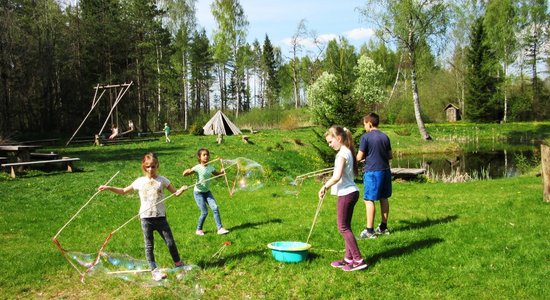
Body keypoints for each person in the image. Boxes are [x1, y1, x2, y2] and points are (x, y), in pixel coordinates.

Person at [98, 152, 188, 281]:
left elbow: (175, 193)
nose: (151, 169)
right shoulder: (139, 182)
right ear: (144, 167)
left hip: (161, 217)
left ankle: (179, 264)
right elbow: (123, 191)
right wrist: (108, 187)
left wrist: (182, 189)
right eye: (148, 167)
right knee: (149, 245)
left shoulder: (162, 180)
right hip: (146, 219)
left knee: (170, 242)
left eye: (153, 166)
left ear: (157, 166)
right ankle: (154, 271)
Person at [319, 126, 367, 272]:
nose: (329, 145)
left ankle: (358, 260)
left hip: (346, 194)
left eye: (330, 141)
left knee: (343, 227)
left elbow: (337, 176)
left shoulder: (342, 154)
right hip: (351, 192)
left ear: (338, 138)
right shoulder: (347, 151)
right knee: (346, 226)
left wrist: (324, 186)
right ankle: (348, 258)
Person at [356, 113, 392, 239]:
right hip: (386, 171)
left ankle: (370, 230)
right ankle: (383, 227)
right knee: (384, 198)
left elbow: (359, 157)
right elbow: (390, 156)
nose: (364, 126)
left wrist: (361, 159)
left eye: (364, 124)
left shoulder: (365, 137)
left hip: (372, 172)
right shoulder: (385, 137)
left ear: (369, 123)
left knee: (369, 200)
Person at [183, 148, 229, 236]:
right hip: (198, 193)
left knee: (215, 208)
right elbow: (186, 173)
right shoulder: (197, 167)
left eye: (207, 155)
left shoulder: (211, 167)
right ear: (199, 157)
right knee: (204, 212)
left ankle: (220, 228)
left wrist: (222, 172)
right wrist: (186, 172)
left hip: (207, 192)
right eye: (204, 155)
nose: (206, 156)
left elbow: (217, 175)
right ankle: (199, 229)